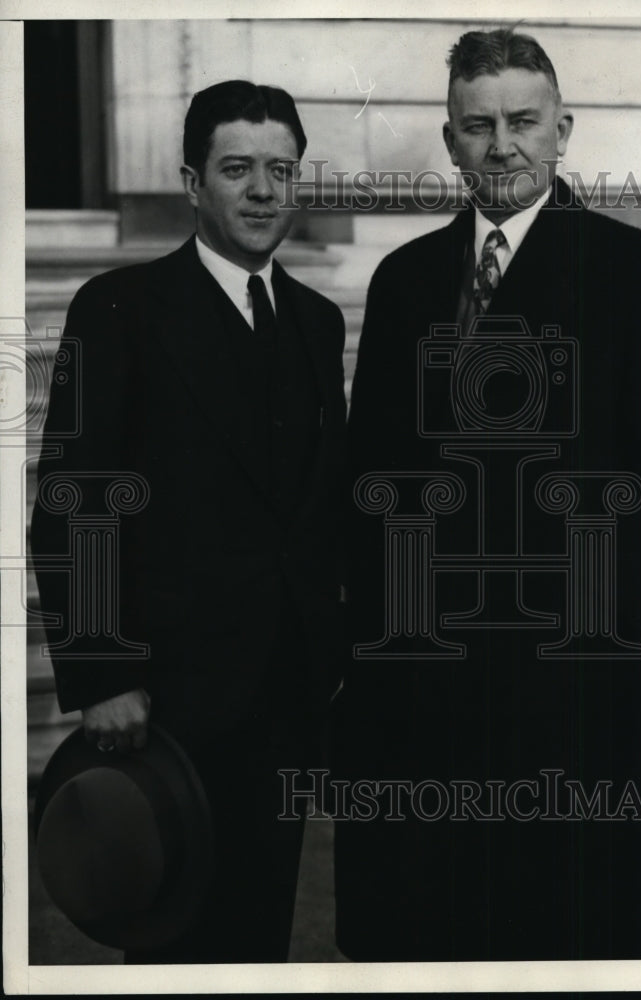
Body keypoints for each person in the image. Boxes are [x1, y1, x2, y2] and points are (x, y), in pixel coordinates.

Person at [333, 28, 641, 961]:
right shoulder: (405, 281)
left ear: (563, 131)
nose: (501, 144)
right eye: (477, 126)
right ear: (448, 142)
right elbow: (370, 471)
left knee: (562, 921)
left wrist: (609, 592)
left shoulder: (639, 272)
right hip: (424, 671)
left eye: (522, 121)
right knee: (431, 922)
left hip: (568, 666)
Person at [31, 80, 348, 963]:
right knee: (173, 943)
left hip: (284, 700)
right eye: (237, 168)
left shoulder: (318, 323)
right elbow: (72, 499)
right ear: (192, 183)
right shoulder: (119, 307)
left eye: (280, 170)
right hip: (168, 706)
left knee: (261, 937)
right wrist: (100, 672)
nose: (262, 190)